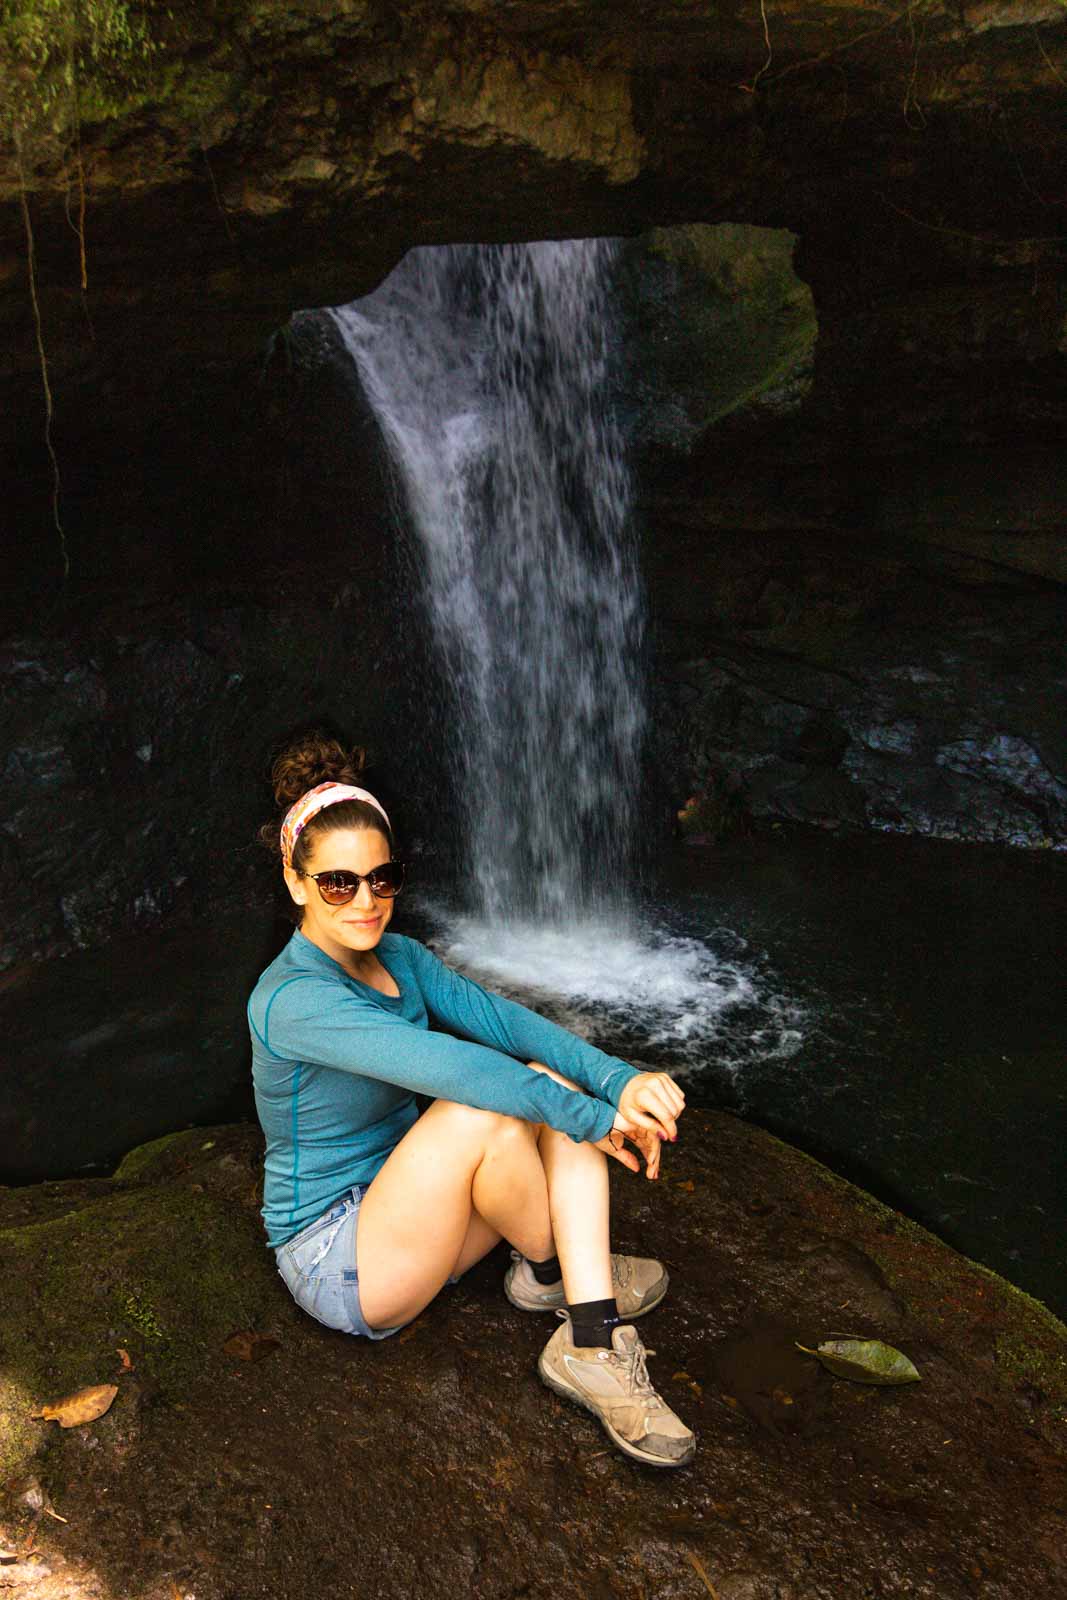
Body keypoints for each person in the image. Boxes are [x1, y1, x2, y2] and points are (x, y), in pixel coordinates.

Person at [248, 733, 695, 1468]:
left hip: (420, 1215)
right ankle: (577, 1304)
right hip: (342, 1258)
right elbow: (452, 1068)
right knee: (486, 1106)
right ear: (296, 884)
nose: (365, 902)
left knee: (551, 1085)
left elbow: (504, 1023)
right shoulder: (293, 1000)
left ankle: (564, 1294)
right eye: (337, 883)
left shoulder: (401, 958)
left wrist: (615, 1081)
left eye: (381, 879)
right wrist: (594, 1119)